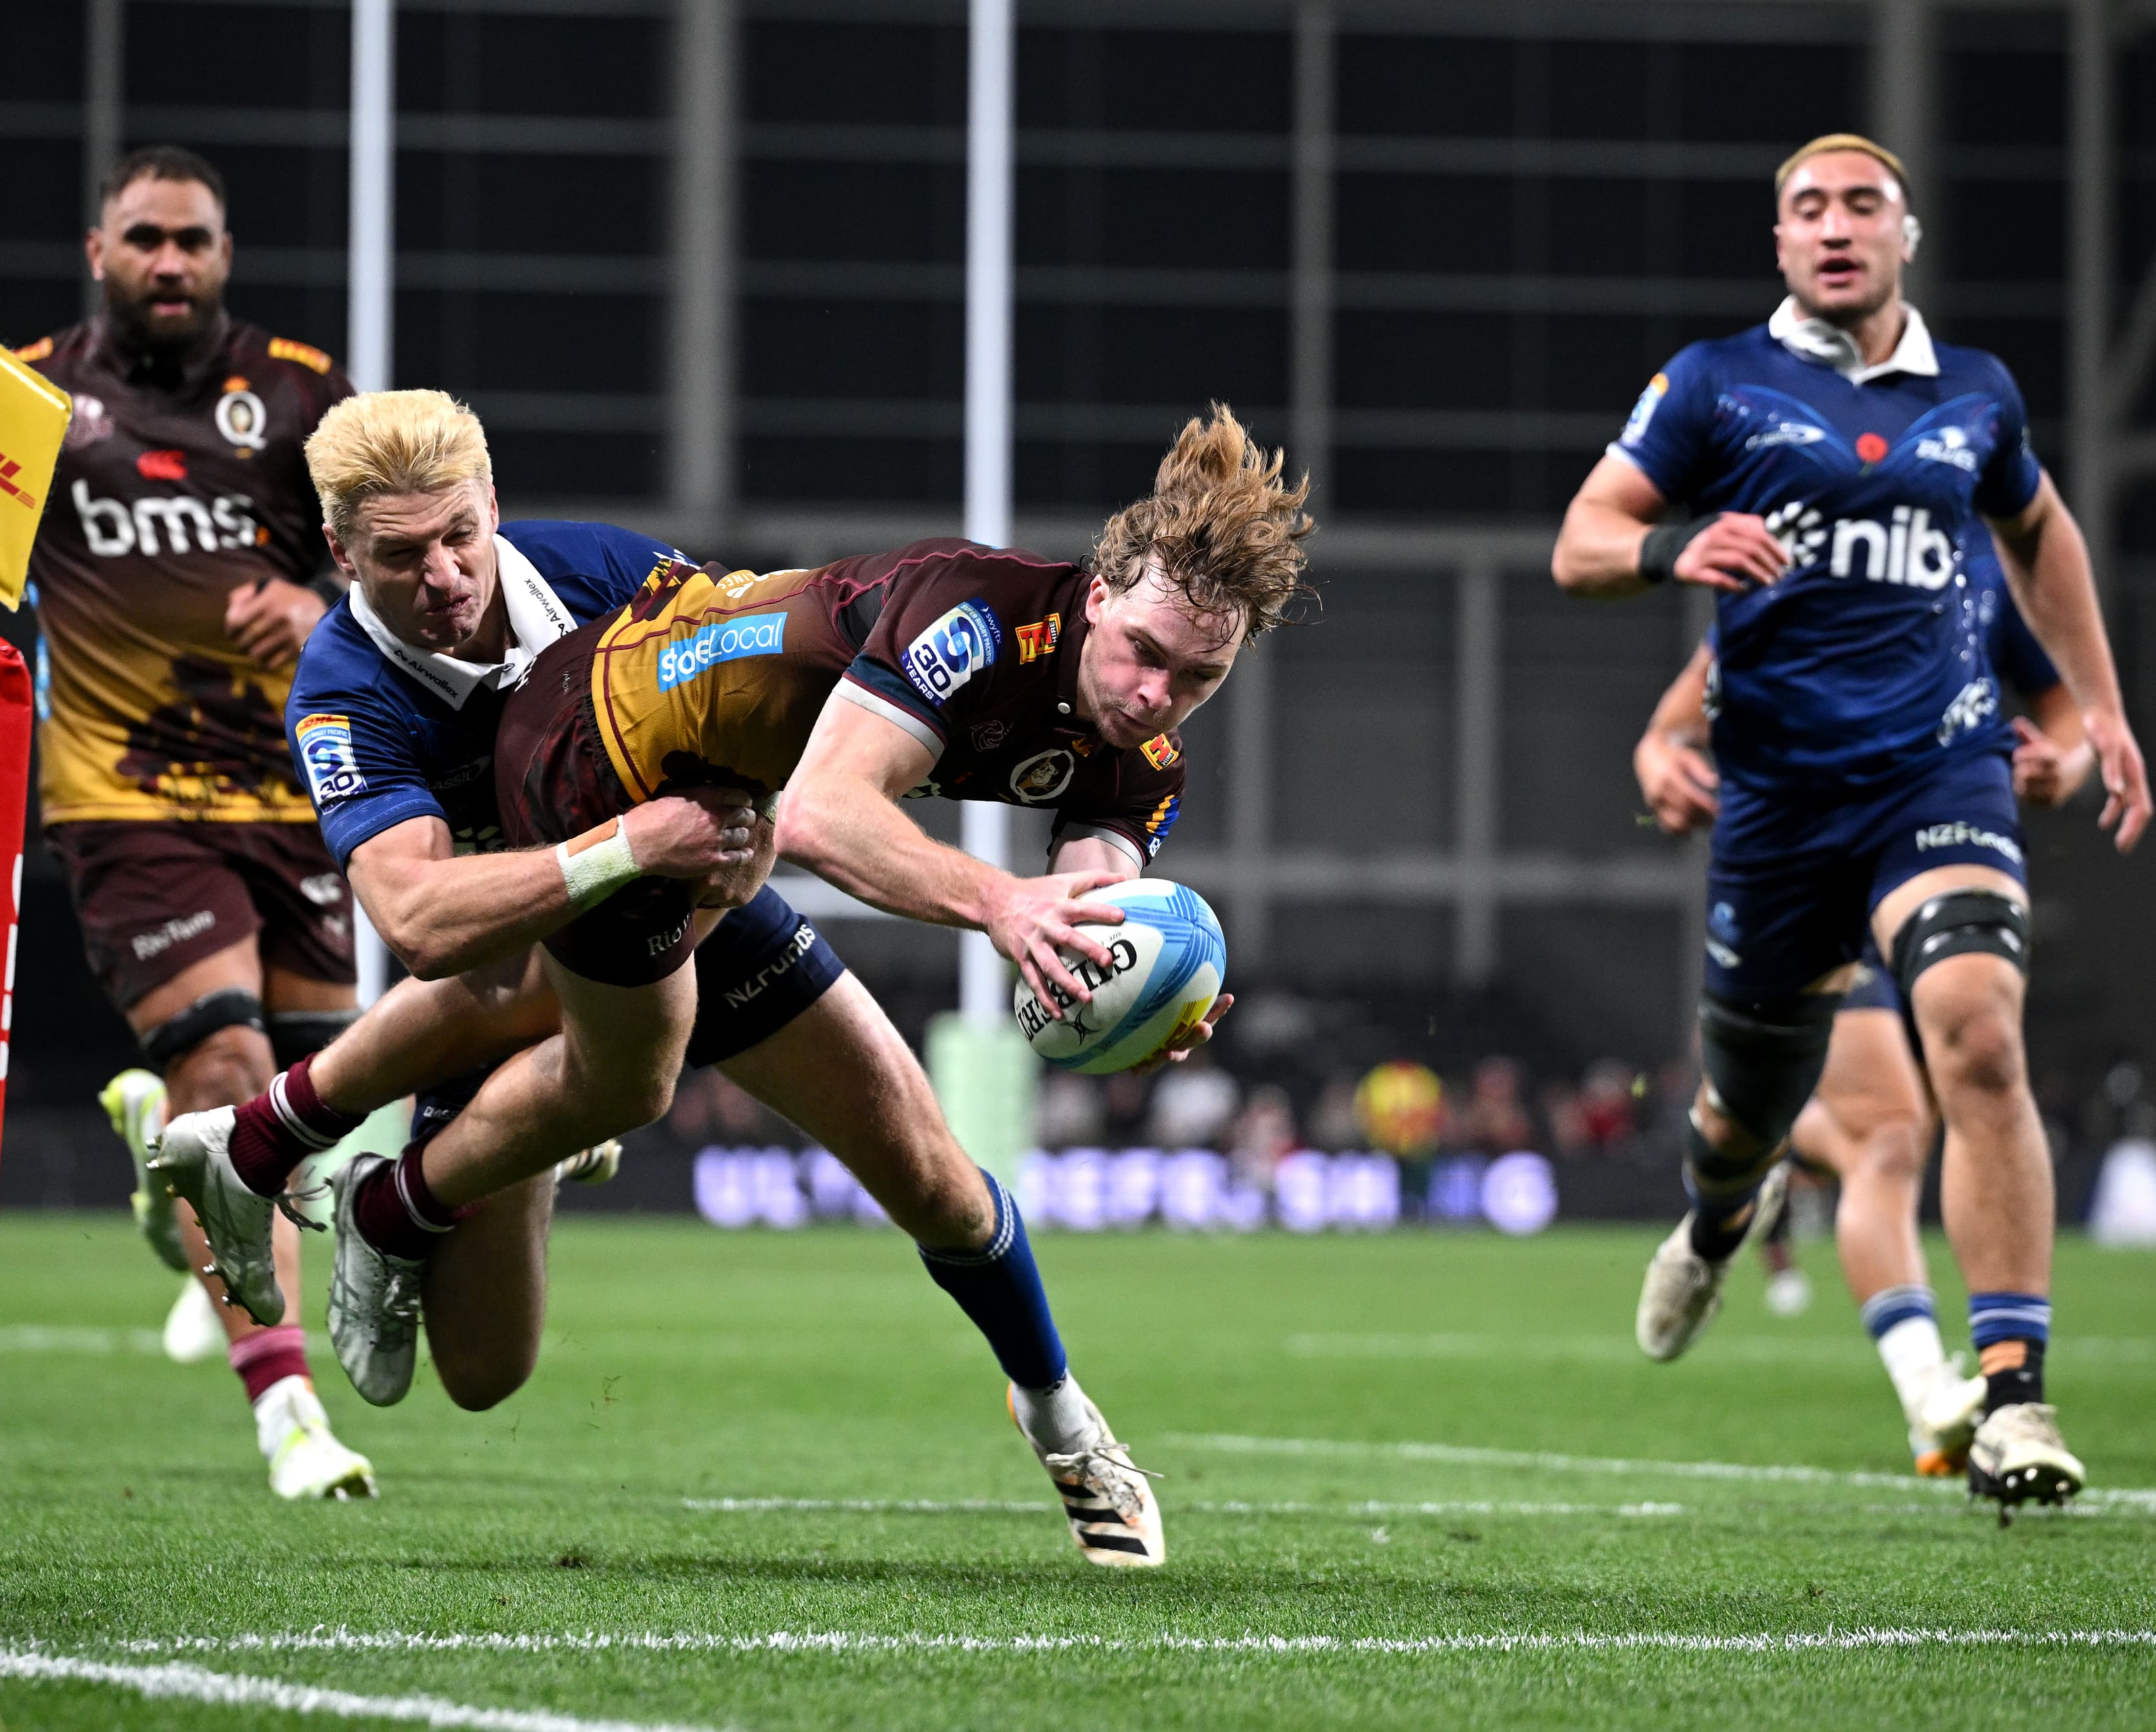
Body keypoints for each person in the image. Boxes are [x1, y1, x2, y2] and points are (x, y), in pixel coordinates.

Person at [155, 391, 1301, 1568]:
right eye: (404, 555)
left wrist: (1125, 998)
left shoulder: (598, 569)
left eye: (461, 536)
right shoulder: (345, 685)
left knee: (929, 1174)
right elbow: (424, 916)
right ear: (343, 554)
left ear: (492, 506)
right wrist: (977, 898)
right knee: (585, 1105)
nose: (446, 574)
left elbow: (1080, 917)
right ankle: (310, 1156)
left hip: (699, 860)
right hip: (569, 834)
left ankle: (1063, 1419)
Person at [1552, 133, 2152, 1511]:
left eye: (1861, 205)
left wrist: (2094, 717)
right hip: (1775, 812)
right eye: (1807, 207)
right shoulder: (1714, 384)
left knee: (1981, 1037)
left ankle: (2010, 1394)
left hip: (1937, 782)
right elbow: (1580, 538)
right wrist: (1667, 551)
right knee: (1742, 1122)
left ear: (1906, 234)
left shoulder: (1976, 400)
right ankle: (1718, 1219)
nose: (1834, 226)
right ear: (1781, 244)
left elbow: (2044, 538)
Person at [0, 145, 371, 1500]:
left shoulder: (307, 394)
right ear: (99, 250)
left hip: (297, 799)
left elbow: (413, 579)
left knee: (302, 1122)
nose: (169, 262)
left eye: (192, 241)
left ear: (225, 254)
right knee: (229, 1066)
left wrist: (328, 616)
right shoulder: (29, 393)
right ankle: (288, 1418)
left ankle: (169, 1184)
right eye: (144, 238)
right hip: (124, 801)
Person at [1634, 528, 2096, 1474]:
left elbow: (2065, 704)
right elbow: (1670, 726)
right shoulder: (1785, 572)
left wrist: (2071, 759)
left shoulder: (1970, 570)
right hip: (1793, 878)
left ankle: (1968, 1394)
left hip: (1925, 850)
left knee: (1906, 1117)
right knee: (1750, 1126)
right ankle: (1720, 1217)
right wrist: (1663, 764)